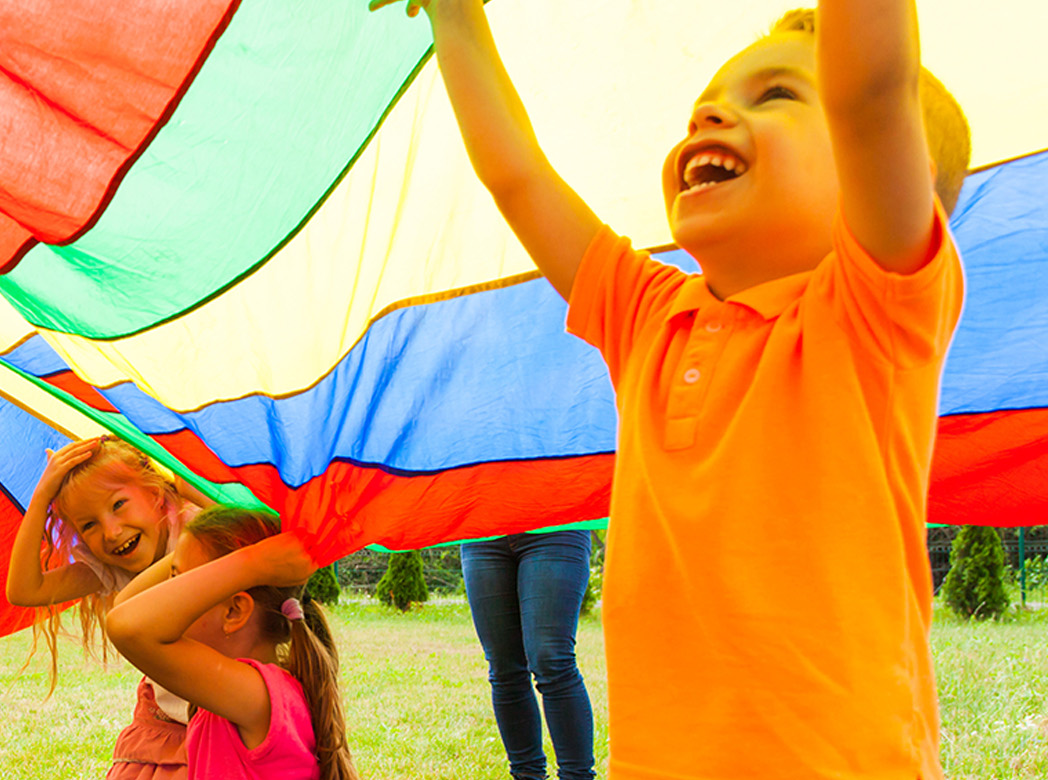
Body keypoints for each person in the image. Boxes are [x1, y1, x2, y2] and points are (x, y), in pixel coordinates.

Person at [386, 0, 970, 775]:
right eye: (708, 105)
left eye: (778, 96)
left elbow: (872, 90)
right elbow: (518, 177)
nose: (714, 115)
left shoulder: (875, 312)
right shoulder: (646, 317)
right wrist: (456, 15)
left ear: (897, 169)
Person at [5, 435, 212, 779]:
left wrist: (174, 471)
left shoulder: (195, 526)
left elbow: (242, 520)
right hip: (170, 731)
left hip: (232, 717)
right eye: (89, 525)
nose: (112, 532)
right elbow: (24, 590)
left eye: (118, 504)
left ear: (155, 492)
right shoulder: (109, 569)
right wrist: (42, 495)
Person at [107, 507, 356, 780]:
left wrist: (255, 563)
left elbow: (128, 626)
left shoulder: (259, 698)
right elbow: (126, 607)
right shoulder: (247, 692)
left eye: (180, 580)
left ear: (234, 611)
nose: (165, 593)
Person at [460, 531, 594, 780]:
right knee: (504, 667)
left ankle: (577, 776)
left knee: (550, 658)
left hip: (555, 527)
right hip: (484, 532)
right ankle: (526, 774)